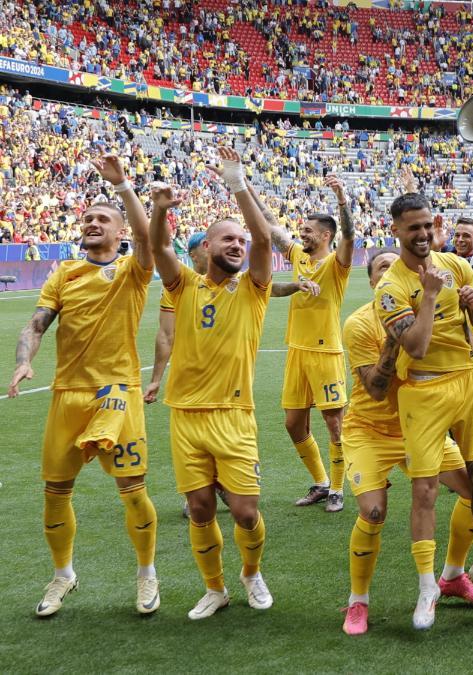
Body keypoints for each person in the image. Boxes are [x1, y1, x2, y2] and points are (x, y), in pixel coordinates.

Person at [10, 154, 159, 618]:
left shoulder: (135, 270)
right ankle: (63, 575)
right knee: (56, 490)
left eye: (103, 219)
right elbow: (36, 325)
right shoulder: (63, 273)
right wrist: (23, 363)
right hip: (67, 393)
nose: (92, 223)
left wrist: (123, 189)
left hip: (116, 392)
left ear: (120, 232)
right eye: (88, 218)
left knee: (133, 489)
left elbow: (148, 240)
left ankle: (146, 574)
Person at [147, 147, 275, 620]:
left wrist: (238, 182)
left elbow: (264, 240)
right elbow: (159, 249)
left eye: (239, 240)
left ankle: (250, 572)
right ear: (203, 248)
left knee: (244, 512)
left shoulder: (254, 290)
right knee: (200, 509)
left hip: (234, 416)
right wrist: (160, 207)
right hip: (185, 415)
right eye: (226, 239)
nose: (237, 244)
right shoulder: (183, 285)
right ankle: (215, 587)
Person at [374, 191, 473, 630]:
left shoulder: (457, 264)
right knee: (425, 489)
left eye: (428, 225)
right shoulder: (389, 288)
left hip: (467, 380)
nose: (424, 234)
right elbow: (418, 346)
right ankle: (428, 585)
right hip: (423, 391)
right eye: (414, 228)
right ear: (396, 230)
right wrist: (429, 296)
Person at [340, 248, 473, 635]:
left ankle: (451, 575)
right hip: (370, 430)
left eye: (396, 266)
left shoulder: (429, 311)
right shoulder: (359, 325)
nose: (393, 273)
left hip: (419, 427)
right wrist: (393, 340)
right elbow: (375, 390)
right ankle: (358, 601)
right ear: (373, 282)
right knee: (373, 513)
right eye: (382, 268)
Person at [145, 231, 319, 517]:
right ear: (197, 252)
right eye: (203, 246)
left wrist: (296, 285)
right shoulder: (178, 285)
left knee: (244, 504)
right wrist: (156, 378)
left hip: (233, 393)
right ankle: (204, 489)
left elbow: (269, 288)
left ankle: (224, 485)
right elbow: (166, 334)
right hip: (192, 388)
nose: (210, 251)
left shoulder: (237, 279)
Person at [264, 176, 355, 512]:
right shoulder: (299, 257)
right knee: (292, 423)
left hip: (326, 352)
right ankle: (320, 481)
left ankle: (338, 489)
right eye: (301, 230)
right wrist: (238, 181)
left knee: (334, 423)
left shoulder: (337, 263)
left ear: (326, 236)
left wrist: (341, 198)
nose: (302, 234)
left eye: (308, 231)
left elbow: (350, 236)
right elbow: (273, 227)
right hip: (297, 351)